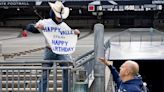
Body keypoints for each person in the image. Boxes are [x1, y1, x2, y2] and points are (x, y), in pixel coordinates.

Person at [25, 1, 80, 92]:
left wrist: (76, 34)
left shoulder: (64, 26)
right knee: (44, 75)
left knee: (67, 72)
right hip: (49, 50)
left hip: (62, 52)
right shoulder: (46, 22)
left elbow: (70, 36)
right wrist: (36, 26)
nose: (60, 18)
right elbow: (29, 27)